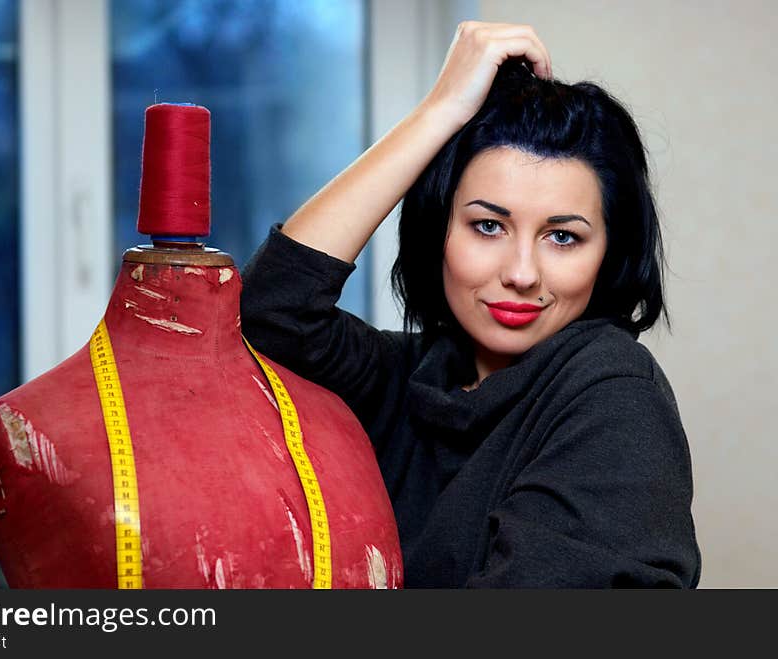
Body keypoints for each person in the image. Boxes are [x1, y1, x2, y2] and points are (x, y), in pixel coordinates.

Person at [239, 21, 701, 587]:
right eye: (488, 226)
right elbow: (272, 309)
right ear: (441, 232)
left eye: (563, 237)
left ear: (608, 253)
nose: (522, 274)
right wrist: (438, 113)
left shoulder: (612, 391)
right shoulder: (409, 376)